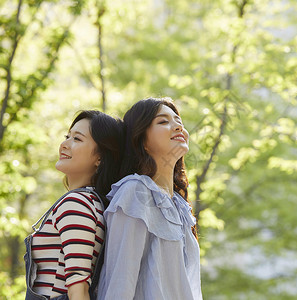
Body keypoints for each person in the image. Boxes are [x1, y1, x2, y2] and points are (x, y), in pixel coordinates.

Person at [98, 98, 202, 300]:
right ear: (142, 141)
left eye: (178, 121)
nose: (178, 126)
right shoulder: (135, 192)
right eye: (163, 122)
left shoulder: (180, 206)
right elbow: (121, 279)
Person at [24, 110, 125, 300]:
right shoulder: (92, 202)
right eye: (67, 136)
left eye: (77, 139)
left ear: (100, 158)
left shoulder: (77, 203)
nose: (64, 144)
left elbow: (78, 285)